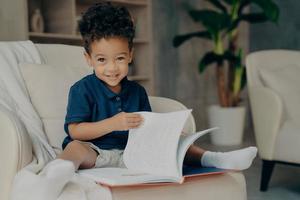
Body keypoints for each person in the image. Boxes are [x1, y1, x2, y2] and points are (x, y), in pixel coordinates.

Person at [32, 1, 257, 194]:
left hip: (133, 154)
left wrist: (167, 132)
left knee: (178, 141)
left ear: (130, 54)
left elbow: (147, 126)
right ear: (88, 59)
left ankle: (216, 159)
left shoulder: (137, 92)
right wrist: (113, 123)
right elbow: (75, 131)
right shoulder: (82, 89)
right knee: (75, 148)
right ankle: (54, 176)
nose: (111, 68)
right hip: (96, 154)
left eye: (119, 58)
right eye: (102, 60)